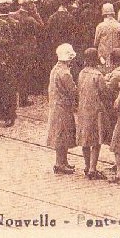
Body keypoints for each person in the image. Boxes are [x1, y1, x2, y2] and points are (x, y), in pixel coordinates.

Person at [76, 50, 110, 180]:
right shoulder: (98, 75)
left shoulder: (81, 73)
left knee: (85, 138)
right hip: (95, 109)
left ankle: (86, 165)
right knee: (96, 139)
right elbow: (104, 92)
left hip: (83, 109)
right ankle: (92, 168)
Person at [47, 43, 78, 175]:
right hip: (63, 107)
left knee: (61, 134)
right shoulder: (65, 73)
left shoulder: (55, 69)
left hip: (56, 105)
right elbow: (72, 90)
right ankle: (60, 163)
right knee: (62, 135)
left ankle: (63, 161)